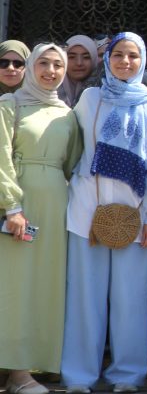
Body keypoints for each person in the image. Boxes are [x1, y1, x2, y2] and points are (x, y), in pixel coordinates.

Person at [63, 32, 147, 394]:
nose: (125, 62)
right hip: (86, 213)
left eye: (133, 56)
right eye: (119, 55)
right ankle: (79, 376)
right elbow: (74, 149)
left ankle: (127, 375)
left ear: (143, 61)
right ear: (107, 59)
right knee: (84, 299)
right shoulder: (90, 98)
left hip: (133, 216)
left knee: (131, 300)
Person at [0, 43, 82, 394]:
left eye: (58, 65)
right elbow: (1, 156)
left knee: (44, 287)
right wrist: (12, 206)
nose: (51, 71)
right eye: (43, 63)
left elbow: (73, 162)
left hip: (55, 207)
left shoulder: (67, 114)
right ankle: (16, 371)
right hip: (20, 205)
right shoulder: (11, 104)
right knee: (14, 287)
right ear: (31, 67)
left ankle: (31, 366)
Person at [63, 36, 102, 107]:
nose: (79, 63)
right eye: (71, 57)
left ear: (94, 60)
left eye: (86, 57)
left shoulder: (104, 95)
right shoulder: (48, 92)